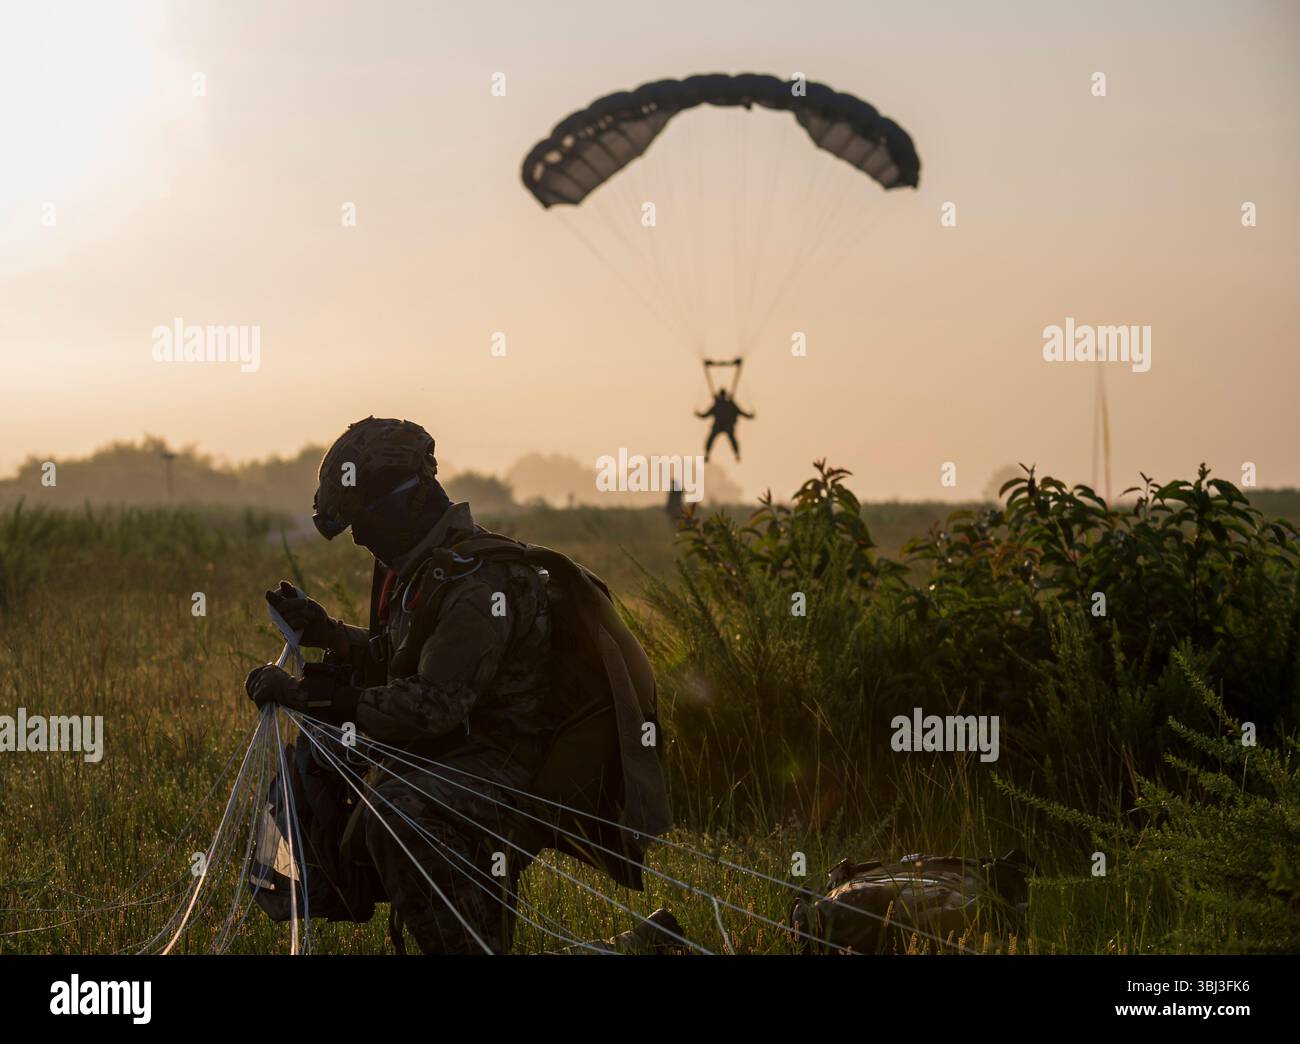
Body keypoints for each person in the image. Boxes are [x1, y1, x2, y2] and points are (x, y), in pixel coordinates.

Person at [243, 416, 671, 953]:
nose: (360, 539)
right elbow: (399, 661)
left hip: (509, 760)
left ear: (408, 500)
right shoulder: (426, 571)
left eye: (365, 521)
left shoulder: (477, 584)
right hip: (461, 750)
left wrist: (313, 697)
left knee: (398, 813)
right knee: (320, 781)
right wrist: (328, 634)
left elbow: (431, 705)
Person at [696, 388, 754, 462]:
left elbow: (741, 412)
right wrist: (749, 416)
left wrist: (749, 416)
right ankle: (707, 454)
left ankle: (736, 454)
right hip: (720, 425)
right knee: (712, 439)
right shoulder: (721, 404)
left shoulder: (727, 404)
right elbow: (706, 414)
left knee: (730, 440)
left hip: (726, 426)